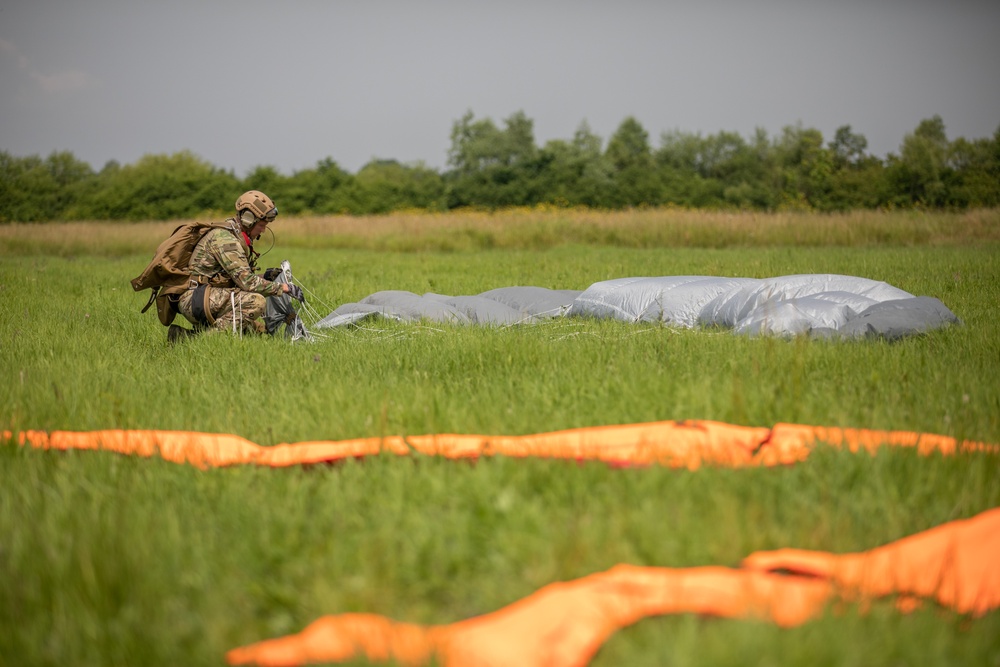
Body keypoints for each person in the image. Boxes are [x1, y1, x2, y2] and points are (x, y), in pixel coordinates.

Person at [168, 190, 303, 342]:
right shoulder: (226, 240)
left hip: (206, 295)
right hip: (195, 299)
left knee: (257, 332)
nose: (264, 230)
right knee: (255, 302)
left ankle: (181, 337)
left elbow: (237, 278)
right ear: (248, 219)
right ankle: (201, 342)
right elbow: (247, 283)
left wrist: (265, 277)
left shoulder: (233, 234)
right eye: (261, 225)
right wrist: (284, 288)